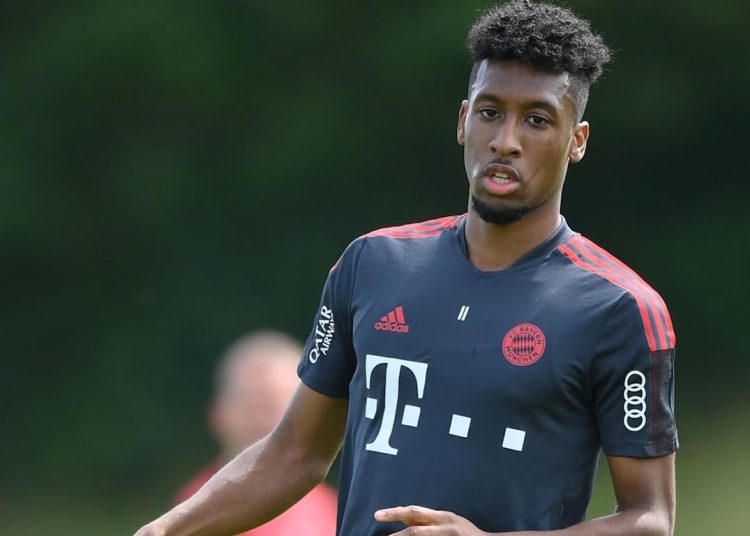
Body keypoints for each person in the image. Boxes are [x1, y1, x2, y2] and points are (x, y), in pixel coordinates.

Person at [135, 1, 678, 534]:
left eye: (537, 120)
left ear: (576, 141)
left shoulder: (619, 309)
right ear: (463, 121)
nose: (505, 141)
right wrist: (163, 531)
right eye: (490, 112)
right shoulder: (371, 265)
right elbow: (295, 452)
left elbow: (649, 519)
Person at [173, 332, 337, 536]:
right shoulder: (197, 512)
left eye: (279, 405)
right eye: (251, 405)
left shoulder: (331, 507)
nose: (263, 420)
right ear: (218, 414)